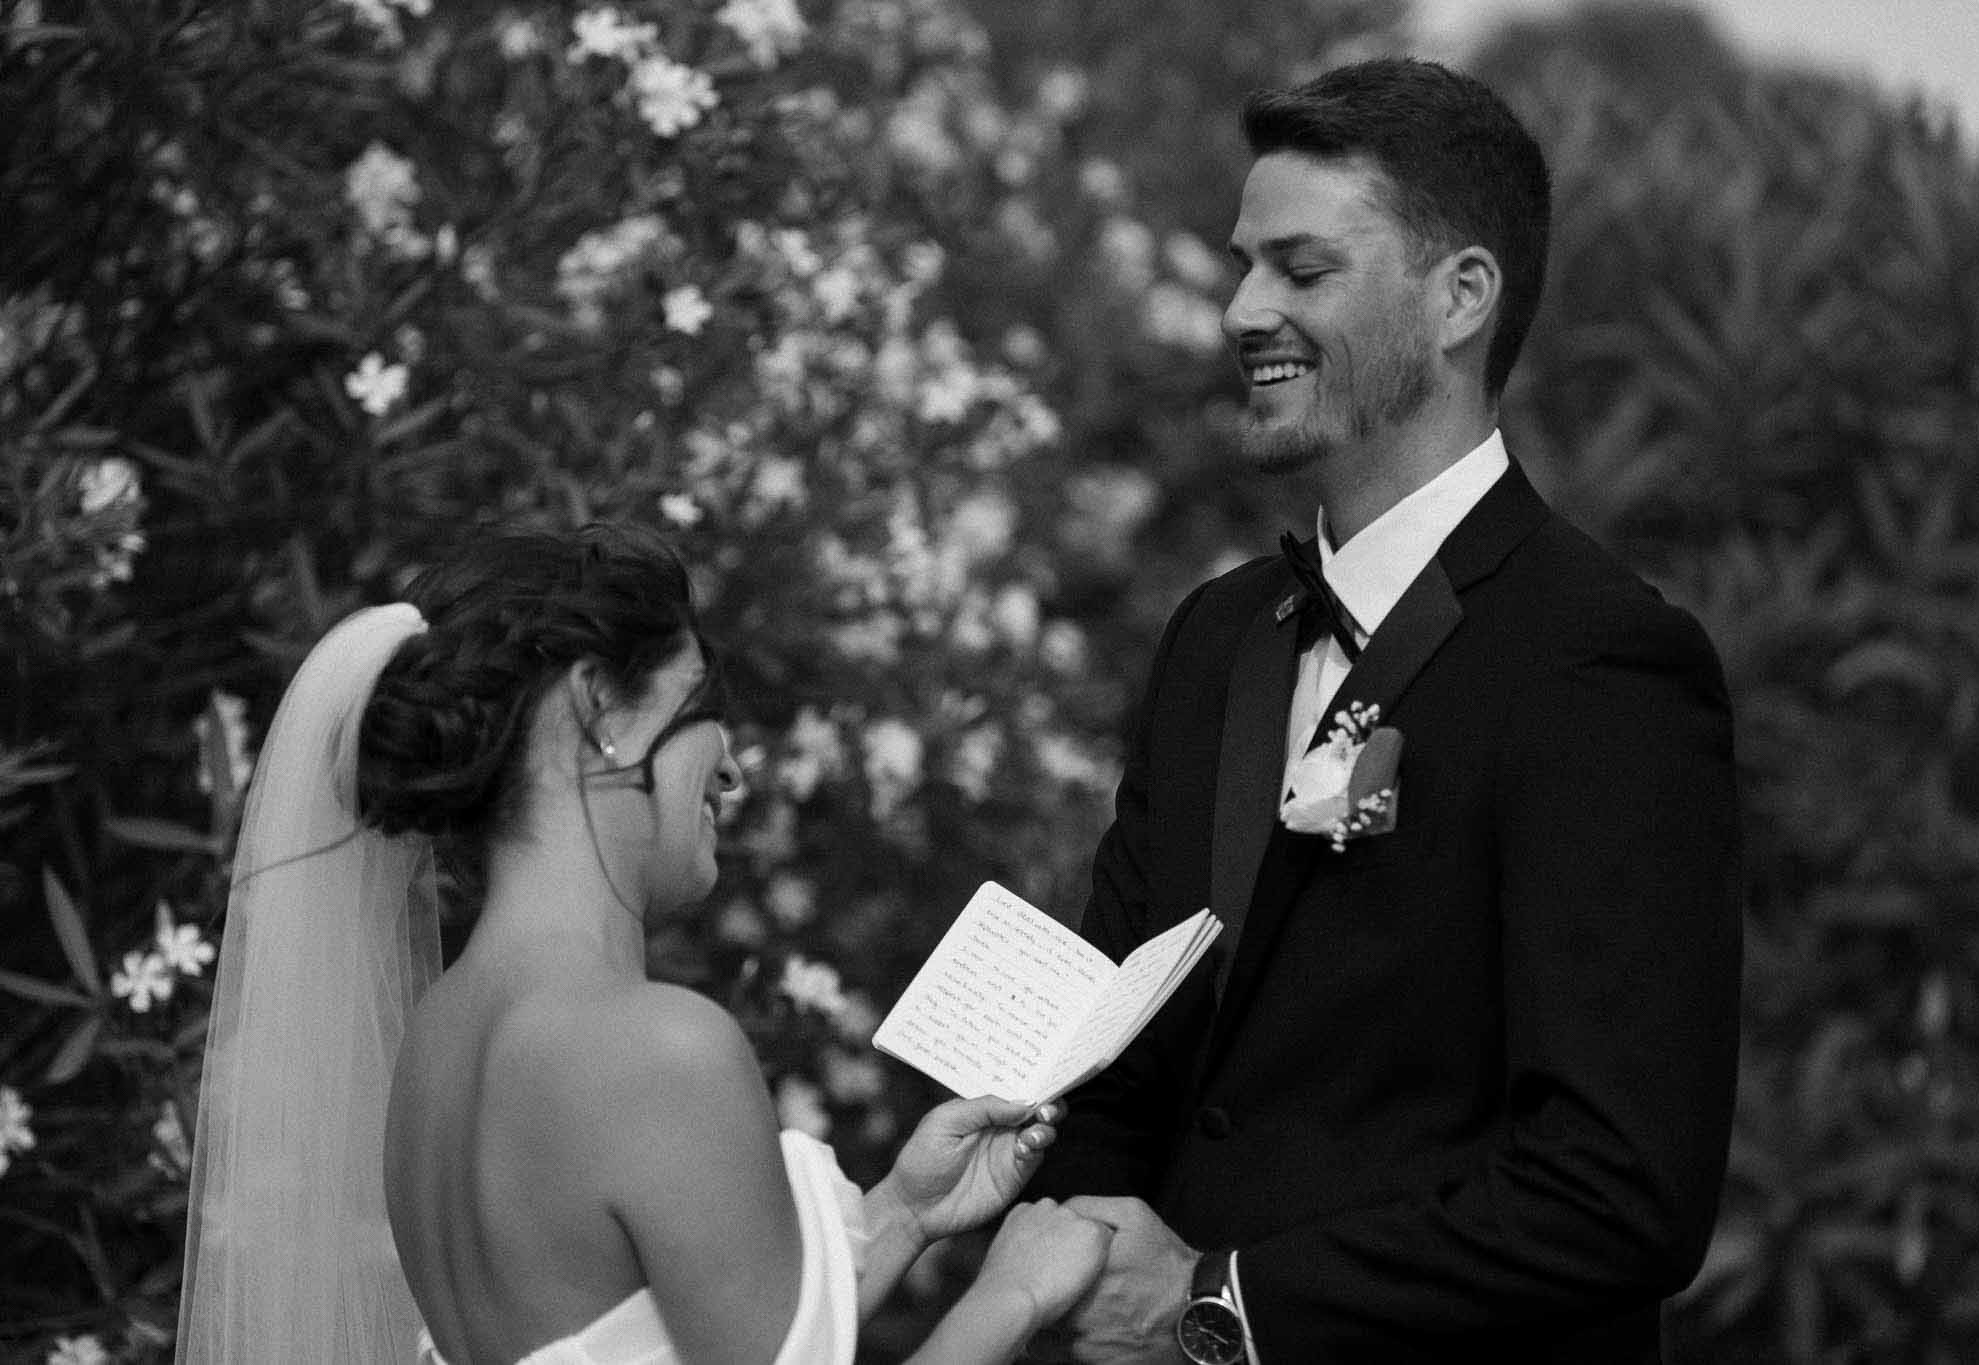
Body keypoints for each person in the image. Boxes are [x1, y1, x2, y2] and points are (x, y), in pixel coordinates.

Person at [1024, 58, 1742, 1363]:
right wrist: (1069, 1227)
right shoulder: (1214, 637)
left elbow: (1619, 1188)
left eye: (1301, 270)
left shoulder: (1604, 664)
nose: (1242, 309)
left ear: (1460, 295)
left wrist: (1221, 1309)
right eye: (1243, 266)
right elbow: (1115, 1051)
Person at [175, 524, 1109, 1364]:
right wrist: (1011, 1296)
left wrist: (904, 1209)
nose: (735, 769)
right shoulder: (657, 1049)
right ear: (599, 713)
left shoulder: (436, 1044)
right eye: (704, 704)